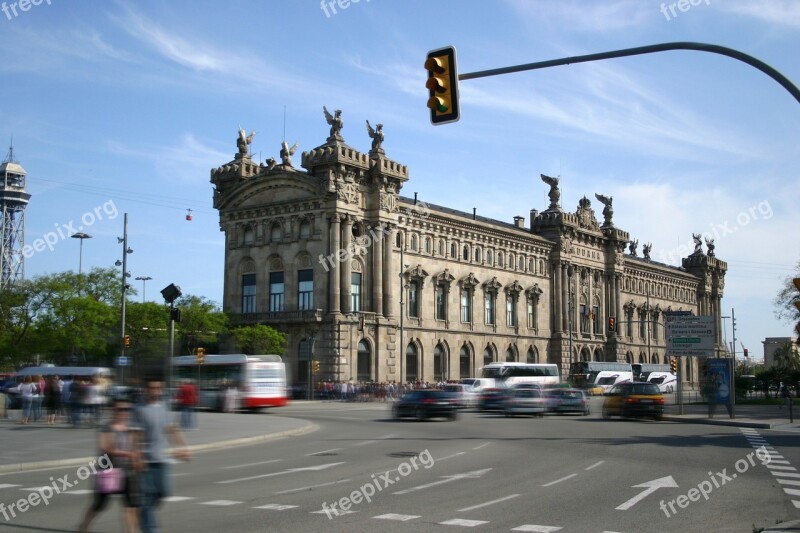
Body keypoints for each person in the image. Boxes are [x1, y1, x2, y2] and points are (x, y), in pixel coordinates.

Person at [78, 398, 142, 533]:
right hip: (108, 472)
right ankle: (84, 526)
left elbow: (136, 449)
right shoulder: (107, 428)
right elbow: (106, 447)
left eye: (127, 409)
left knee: (131, 506)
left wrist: (137, 462)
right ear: (114, 411)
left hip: (127, 472)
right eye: (120, 409)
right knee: (99, 505)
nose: (123, 412)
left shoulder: (131, 429)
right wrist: (128, 454)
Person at [135, 379, 190, 533]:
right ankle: (151, 528)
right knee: (146, 497)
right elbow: (136, 435)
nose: (155, 391)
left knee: (164, 492)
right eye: (152, 388)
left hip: (162, 459)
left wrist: (182, 447)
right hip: (146, 460)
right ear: (146, 389)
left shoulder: (164, 407)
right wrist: (137, 456)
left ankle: (143, 512)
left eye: (158, 388)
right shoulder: (139, 409)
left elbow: (171, 428)